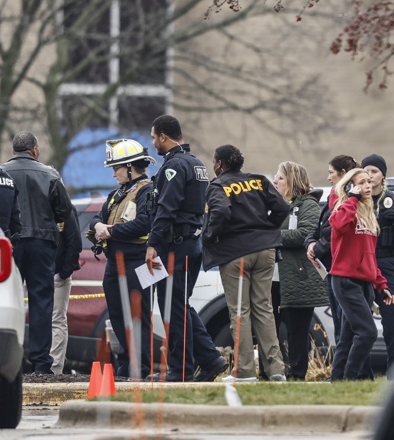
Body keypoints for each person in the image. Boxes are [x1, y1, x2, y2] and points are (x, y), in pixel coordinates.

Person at [144, 115, 229, 383]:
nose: (154, 143)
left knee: (173, 307)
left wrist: (152, 244)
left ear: (164, 137)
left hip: (174, 246)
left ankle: (179, 369)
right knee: (180, 305)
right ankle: (211, 360)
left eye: (154, 137)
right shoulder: (196, 164)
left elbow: (166, 208)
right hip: (191, 244)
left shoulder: (174, 166)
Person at [202, 145, 289, 382]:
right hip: (265, 250)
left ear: (220, 164)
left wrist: (209, 236)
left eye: (214, 161)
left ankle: (245, 371)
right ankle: (276, 369)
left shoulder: (218, 185)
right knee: (264, 309)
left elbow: (220, 210)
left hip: (236, 254)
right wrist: (268, 229)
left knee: (240, 312)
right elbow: (282, 207)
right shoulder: (259, 181)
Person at [1, 132, 74, 375]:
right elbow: (64, 211)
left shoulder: (0, 174)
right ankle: (42, 363)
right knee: (42, 302)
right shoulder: (50, 174)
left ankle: (10, 360)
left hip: (11, 243)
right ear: (34, 149)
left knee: (9, 300)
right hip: (42, 243)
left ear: (14, 150)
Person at [89, 139, 156, 380]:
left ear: (130, 167)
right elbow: (97, 217)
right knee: (117, 315)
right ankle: (126, 365)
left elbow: (145, 223)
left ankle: (142, 367)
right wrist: (98, 224)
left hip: (139, 260)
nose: (114, 173)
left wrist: (111, 231)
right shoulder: (117, 193)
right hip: (114, 262)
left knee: (140, 316)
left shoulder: (147, 190)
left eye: (116, 168)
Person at [329, 168, 394, 381]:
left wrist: (380, 284)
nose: (368, 186)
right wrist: (352, 199)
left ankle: (337, 382)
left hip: (364, 283)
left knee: (347, 339)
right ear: (350, 187)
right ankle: (350, 380)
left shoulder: (369, 214)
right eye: (362, 182)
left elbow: (369, 257)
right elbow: (337, 225)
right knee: (368, 333)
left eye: (368, 182)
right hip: (345, 280)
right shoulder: (343, 208)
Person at [273, 161, 330, 381]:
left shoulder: (309, 204)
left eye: (280, 177)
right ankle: (273, 372)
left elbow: (305, 233)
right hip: (273, 278)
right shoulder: (276, 205)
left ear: (292, 180)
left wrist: (272, 236)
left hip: (298, 277)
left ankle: (296, 375)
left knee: (297, 331)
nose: (275, 181)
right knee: (270, 328)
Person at [362, 154, 394, 374]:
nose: (370, 176)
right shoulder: (354, 201)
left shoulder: (392, 200)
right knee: (358, 323)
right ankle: (360, 375)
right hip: (360, 263)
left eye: (374, 171)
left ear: (383, 175)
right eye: (366, 171)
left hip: (386, 262)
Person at [305, 154, 359, 349]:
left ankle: (345, 370)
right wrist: (311, 243)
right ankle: (340, 371)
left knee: (345, 324)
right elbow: (320, 226)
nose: (328, 177)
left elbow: (334, 231)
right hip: (332, 268)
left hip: (344, 269)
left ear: (343, 173)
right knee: (338, 322)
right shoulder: (333, 196)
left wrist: (317, 247)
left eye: (331, 173)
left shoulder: (348, 199)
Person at [50, 206, 81, 375]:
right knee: (52, 320)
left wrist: (64, 272)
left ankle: (54, 367)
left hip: (55, 273)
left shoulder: (65, 209)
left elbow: (74, 242)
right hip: (45, 272)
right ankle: (48, 365)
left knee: (56, 320)